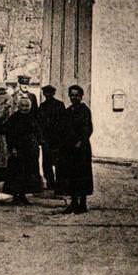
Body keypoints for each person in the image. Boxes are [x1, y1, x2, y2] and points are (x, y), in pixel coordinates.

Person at [57, 84, 93, 214]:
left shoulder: (85, 111)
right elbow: (63, 129)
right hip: (69, 149)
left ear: (81, 96)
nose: (74, 98)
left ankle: (82, 204)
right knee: (71, 175)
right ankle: (73, 203)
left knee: (82, 175)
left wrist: (80, 142)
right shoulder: (67, 111)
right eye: (72, 95)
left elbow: (88, 128)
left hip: (82, 149)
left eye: (77, 95)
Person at [3, 95, 44, 205]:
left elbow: (38, 131)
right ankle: (16, 196)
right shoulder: (14, 118)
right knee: (17, 173)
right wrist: (12, 148)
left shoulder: (33, 117)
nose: (25, 108)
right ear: (19, 106)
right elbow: (9, 135)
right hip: (18, 149)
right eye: (23, 106)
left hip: (30, 149)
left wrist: (39, 142)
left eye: (27, 106)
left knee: (28, 173)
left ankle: (23, 195)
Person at [38, 84, 65, 191]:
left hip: (57, 139)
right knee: (47, 163)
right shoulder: (42, 106)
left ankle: (60, 185)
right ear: (44, 94)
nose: (48, 94)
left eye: (50, 92)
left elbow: (63, 122)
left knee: (59, 162)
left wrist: (62, 137)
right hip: (46, 139)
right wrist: (41, 138)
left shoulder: (59, 105)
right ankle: (50, 184)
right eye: (46, 92)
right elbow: (39, 123)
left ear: (53, 93)